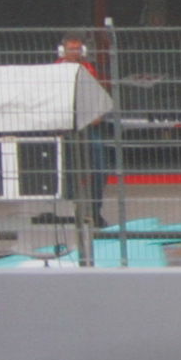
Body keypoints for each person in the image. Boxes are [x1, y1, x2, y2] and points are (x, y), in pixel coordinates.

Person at [55, 32, 108, 226]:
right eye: (71, 49)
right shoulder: (54, 71)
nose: (75, 52)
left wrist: (98, 113)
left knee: (100, 168)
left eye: (78, 49)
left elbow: (97, 95)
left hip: (86, 126)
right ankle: (71, 212)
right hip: (65, 128)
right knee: (68, 170)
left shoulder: (89, 69)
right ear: (62, 51)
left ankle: (94, 210)